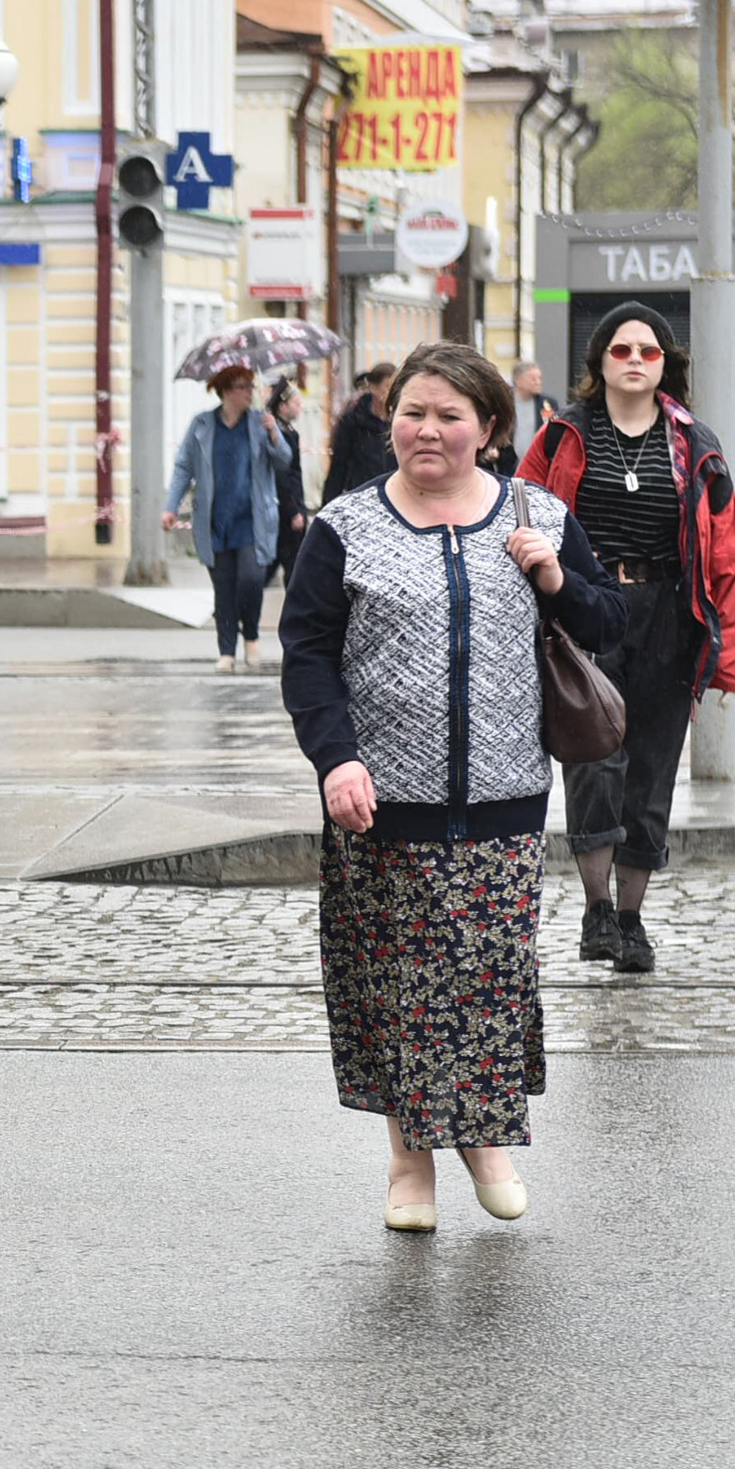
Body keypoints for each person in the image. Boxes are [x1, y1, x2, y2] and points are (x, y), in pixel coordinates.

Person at [280, 342, 626, 1232]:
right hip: (381, 799)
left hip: (506, 794)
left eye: (448, 415)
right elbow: (308, 654)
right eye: (411, 412)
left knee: (487, 975)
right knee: (398, 980)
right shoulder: (344, 527)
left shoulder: (538, 512)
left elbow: (607, 621)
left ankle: (487, 1140)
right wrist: (337, 759)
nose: (426, 430)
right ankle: (409, 1158)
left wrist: (552, 574)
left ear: (490, 430)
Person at [513, 303, 735, 976]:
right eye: (619, 349)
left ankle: (631, 919)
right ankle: (596, 910)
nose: (633, 359)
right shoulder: (563, 436)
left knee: (650, 770)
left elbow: (734, 548)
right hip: (587, 607)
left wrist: (727, 656)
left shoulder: (694, 442)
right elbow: (519, 513)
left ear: (664, 365)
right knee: (593, 757)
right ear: (598, 362)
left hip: (668, 617)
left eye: (647, 351)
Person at [160, 363, 292, 670]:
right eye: (243, 387)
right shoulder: (202, 425)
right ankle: (227, 651)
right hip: (216, 520)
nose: (250, 393)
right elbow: (183, 468)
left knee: (250, 580)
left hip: (252, 520)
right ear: (226, 392)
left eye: (250, 387)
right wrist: (170, 507)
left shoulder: (260, 423)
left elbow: (284, 461)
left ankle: (253, 637)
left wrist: (274, 433)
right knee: (224, 588)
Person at [319, 362, 398, 503]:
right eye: (387, 387)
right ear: (373, 387)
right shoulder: (353, 421)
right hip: (362, 497)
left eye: (394, 387)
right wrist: (328, 505)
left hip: (395, 497)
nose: (391, 393)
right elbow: (339, 467)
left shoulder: (399, 421)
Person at [268, 377, 310, 587]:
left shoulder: (288, 432)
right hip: (286, 510)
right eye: (296, 403)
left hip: (289, 507)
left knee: (285, 565)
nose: (299, 407)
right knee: (291, 567)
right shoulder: (278, 435)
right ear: (283, 406)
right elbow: (283, 476)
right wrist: (294, 511)